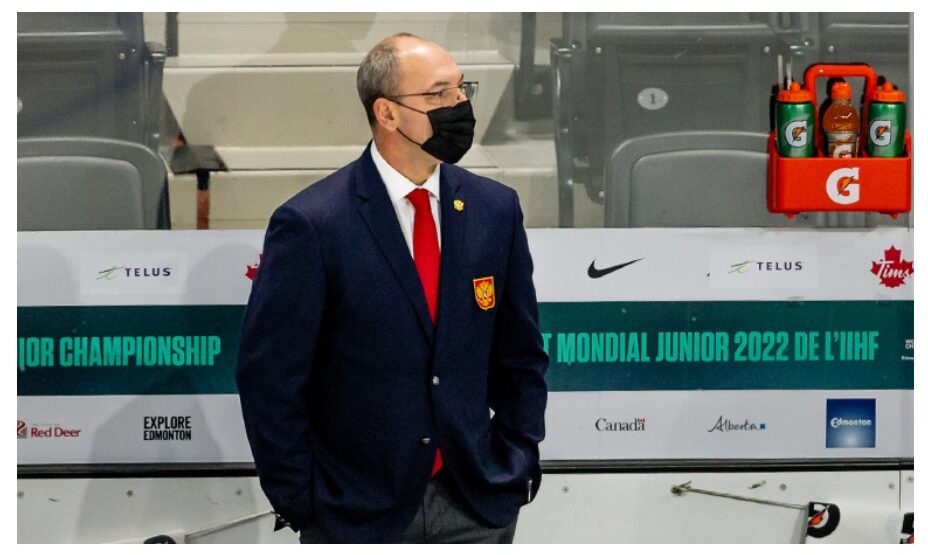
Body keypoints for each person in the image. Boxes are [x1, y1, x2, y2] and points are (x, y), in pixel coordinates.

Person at [235, 33, 548, 544]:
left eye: (461, 89)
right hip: (357, 512)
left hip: (477, 502)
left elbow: (521, 355)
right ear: (387, 113)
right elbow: (270, 379)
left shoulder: (495, 209)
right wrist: (302, 500)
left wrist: (519, 457)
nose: (459, 104)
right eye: (438, 93)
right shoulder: (313, 223)